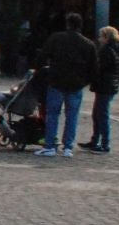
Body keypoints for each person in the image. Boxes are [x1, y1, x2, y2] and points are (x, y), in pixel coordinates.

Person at [35, 12, 98, 159]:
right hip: (76, 84)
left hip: (56, 82)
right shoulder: (88, 44)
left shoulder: (56, 38)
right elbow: (94, 68)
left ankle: (50, 145)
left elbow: (42, 57)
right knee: (72, 116)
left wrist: (42, 71)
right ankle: (68, 147)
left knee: (52, 114)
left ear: (67, 24)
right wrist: (84, 81)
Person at [85, 25, 119, 153]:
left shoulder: (106, 50)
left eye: (101, 36)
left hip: (104, 85)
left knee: (101, 114)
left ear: (106, 37)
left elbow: (100, 68)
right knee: (99, 114)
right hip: (110, 84)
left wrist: (91, 76)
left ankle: (103, 143)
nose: (99, 38)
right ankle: (96, 140)